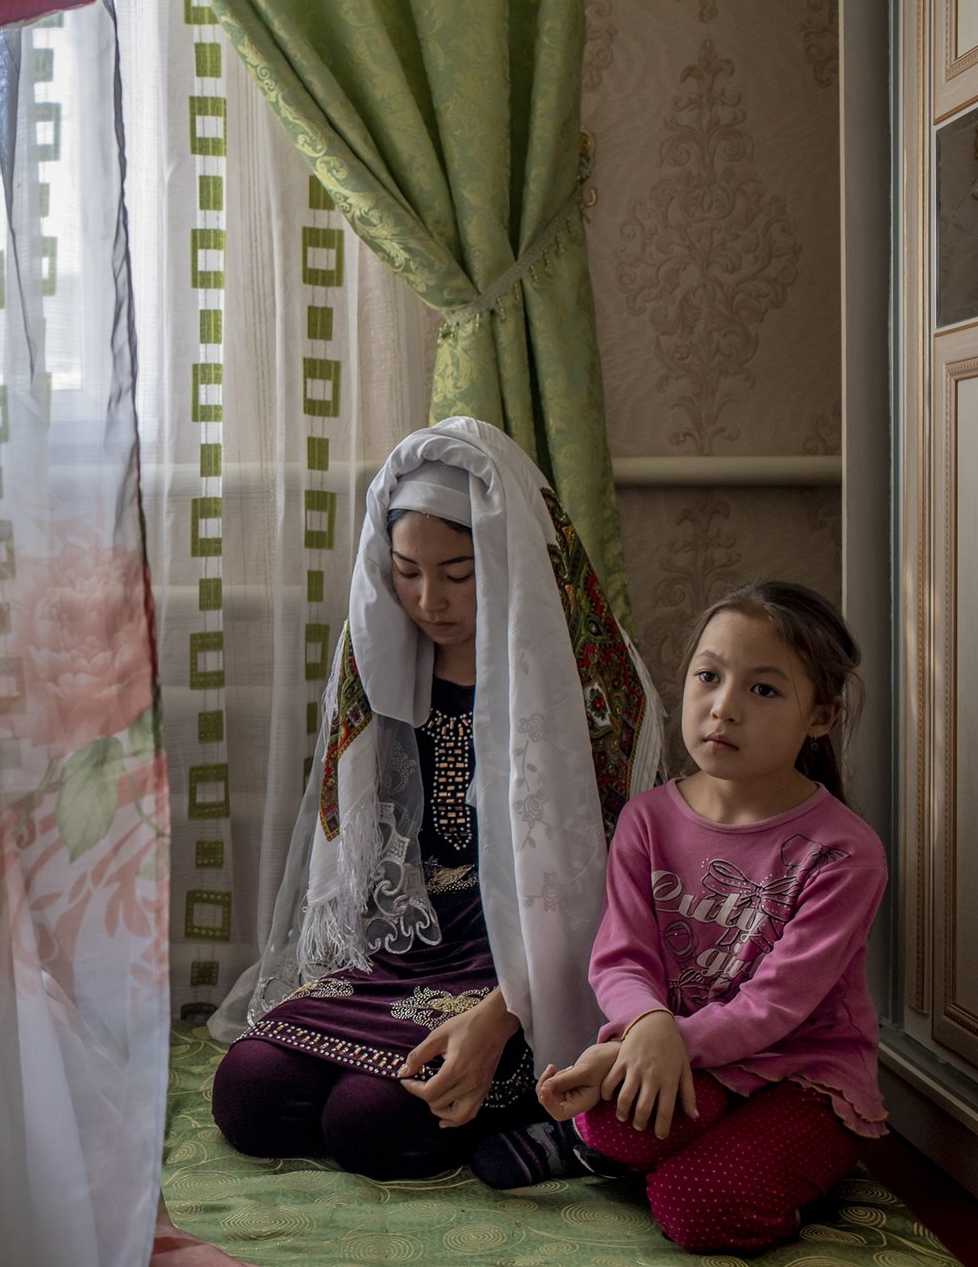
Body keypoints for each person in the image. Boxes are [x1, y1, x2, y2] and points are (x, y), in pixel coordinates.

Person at [207, 418, 663, 1185]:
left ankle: (529, 1104)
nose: (428, 600)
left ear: (510, 560)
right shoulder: (383, 665)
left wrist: (504, 1012)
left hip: (518, 957)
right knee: (248, 1094)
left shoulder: (579, 686)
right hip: (406, 944)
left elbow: (604, 898)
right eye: (406, 571)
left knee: (370, 1123)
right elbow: (363, 867)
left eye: (459, 572)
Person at [534, 581, 885, 1254]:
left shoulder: (843, 853)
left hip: (802, 1075)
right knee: (614, 1122)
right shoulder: (649, 819)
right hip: (692, 1057)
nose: (723, 708)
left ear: (821, 716)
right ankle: (612, 1149)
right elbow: (622, 957)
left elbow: (774, 1008)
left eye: (764, 690)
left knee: (699, 1210)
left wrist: (645, 1047)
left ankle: (778, 1162)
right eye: (709, 676)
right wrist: (647, 1025)